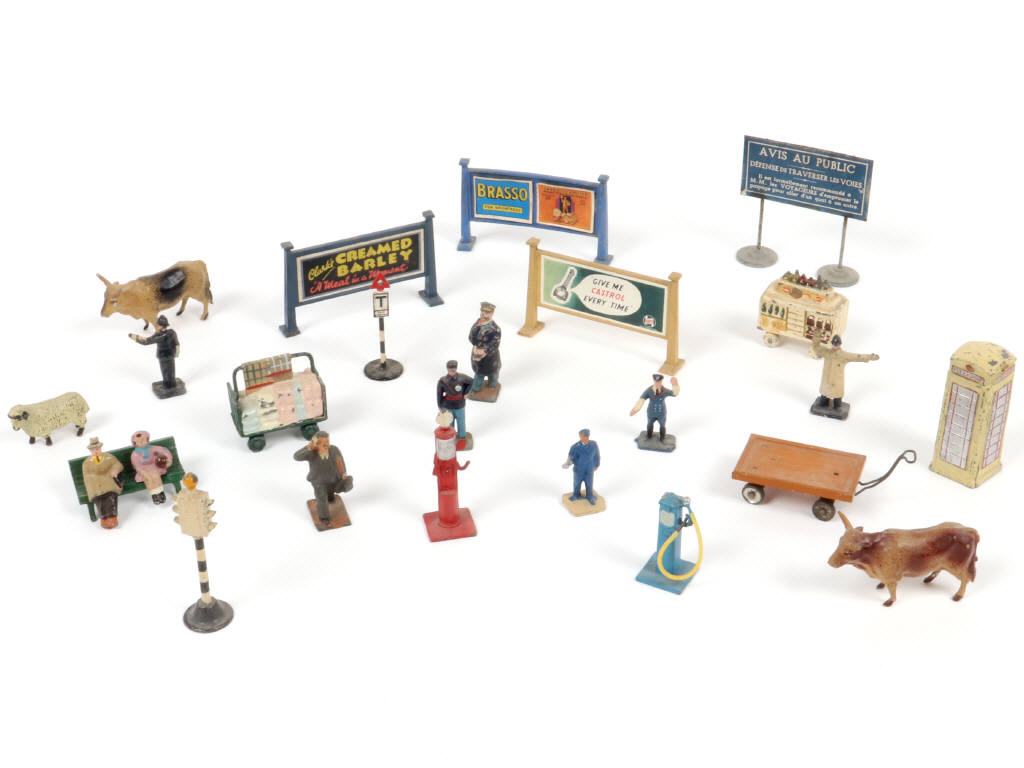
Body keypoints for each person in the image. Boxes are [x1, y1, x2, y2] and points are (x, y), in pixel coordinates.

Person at [810, 334, 879, 419]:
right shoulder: (826, 352)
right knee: (824, 394)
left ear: (840, 344)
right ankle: (823, 402)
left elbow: (857, 356)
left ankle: (837, 406)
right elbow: (816, 347)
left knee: (837, 394)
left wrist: (870, 357)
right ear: (832, 344)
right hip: (826, 379)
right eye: (834, 344)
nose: (835, 346)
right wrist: (817, 336)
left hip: (837, 380)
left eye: (837, 344)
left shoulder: (843, 355)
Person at [293, 431, 349, 526]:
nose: (326, 445)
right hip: (319, 481)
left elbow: (339, 461)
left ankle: (331, 498)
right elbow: (296, 457)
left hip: (333, 478)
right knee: (321, 499)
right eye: (322, 443)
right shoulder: (311, 453)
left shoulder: (334, 449)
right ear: (316, 443)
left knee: (330, 492)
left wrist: (343, 473)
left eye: (327, 441)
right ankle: (324, 518)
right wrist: (309, 447)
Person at [129, 315, 184, 397]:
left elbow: (146, 341)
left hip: (164, 356)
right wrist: (176, 353)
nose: (157, 326)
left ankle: (169, 386)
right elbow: (177, 343)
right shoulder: (171, 332)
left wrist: (135, 337)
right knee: (168, 371)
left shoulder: (161, 336)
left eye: (158, 325)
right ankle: (169, 383)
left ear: (161, 326)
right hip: (169, 355)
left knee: (166, 371)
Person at [81, 436, 123, 529]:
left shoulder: (109, 457)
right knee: (99, 498)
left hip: (109, 482)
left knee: (110, 495)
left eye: (97, 449)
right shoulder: (86, 463)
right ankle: (103, 518)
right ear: (90, 451)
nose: (95, 451)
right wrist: (94, 479)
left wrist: (115, 470)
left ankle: (112, 516)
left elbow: (118, 464)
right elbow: (86, 476)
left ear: (100, 448)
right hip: (96, 486)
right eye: (93, 450)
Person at [630, 374, 680, 441]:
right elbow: (642, 399)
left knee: (662, 426)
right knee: (649, 424)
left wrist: (675, 384)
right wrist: (635, 409)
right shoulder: (649, 390)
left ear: (661, 381)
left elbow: (674, 393)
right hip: (651, 412)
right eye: (655, 382)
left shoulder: (664, 390)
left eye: (658, 382)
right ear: (654, 381)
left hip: (661, 413)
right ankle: (648, 437)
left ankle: (662, 439)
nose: (657, 383)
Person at [129, 430, 174, 504]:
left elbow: (164, 451)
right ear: (135, 443)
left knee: (155, 475)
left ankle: (161, 493)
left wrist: (169, 460)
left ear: (147, 439)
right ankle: (154, 495)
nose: (141, 442)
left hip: (155, 467)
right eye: (138, 441)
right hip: (143, 471)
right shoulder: (135, 454)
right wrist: (146, 475)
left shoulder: (153, 449)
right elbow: (138, 467)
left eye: (143, 440)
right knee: (148, 479)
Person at [437, 360, 473, 447]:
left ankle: (462, 438)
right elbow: (439, 394)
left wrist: (466, 392)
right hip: (447, 406)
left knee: (461, 423)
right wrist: (440, 406)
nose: (452, 372)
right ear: (447, 369)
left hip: (459, 404)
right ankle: (451, 437)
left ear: (456, 369)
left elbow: (472, 381)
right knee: (449, 423)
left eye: (453, 370)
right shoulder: (442, 381)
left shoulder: (462, 377)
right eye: (450, 370)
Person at [468, 301, 501, 394]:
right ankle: (475, 389)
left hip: (490, 357)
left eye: (486, 313)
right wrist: (476, 328)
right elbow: (470, 338)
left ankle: (492, 386)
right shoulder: (477, 324)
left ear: (491, 313)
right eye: (482, 312)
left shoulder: (495, 329)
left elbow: (495, 343)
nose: (483, 314)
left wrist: (485, 351)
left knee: (493, 373)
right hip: (477, 354)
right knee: (479, 373)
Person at [563, 429, 600, 505]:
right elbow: (570, 458)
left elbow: (597, 455)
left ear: (588, 436)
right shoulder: (575, 447)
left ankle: (590, 496)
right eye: (582, 436)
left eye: (586, 436)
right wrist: (567, 463)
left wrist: (597, 464)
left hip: (589, 469)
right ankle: (576, 495)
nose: (584, 438)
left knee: (589, 483)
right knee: (577, 483)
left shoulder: (594, 444)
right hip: (578, 470)